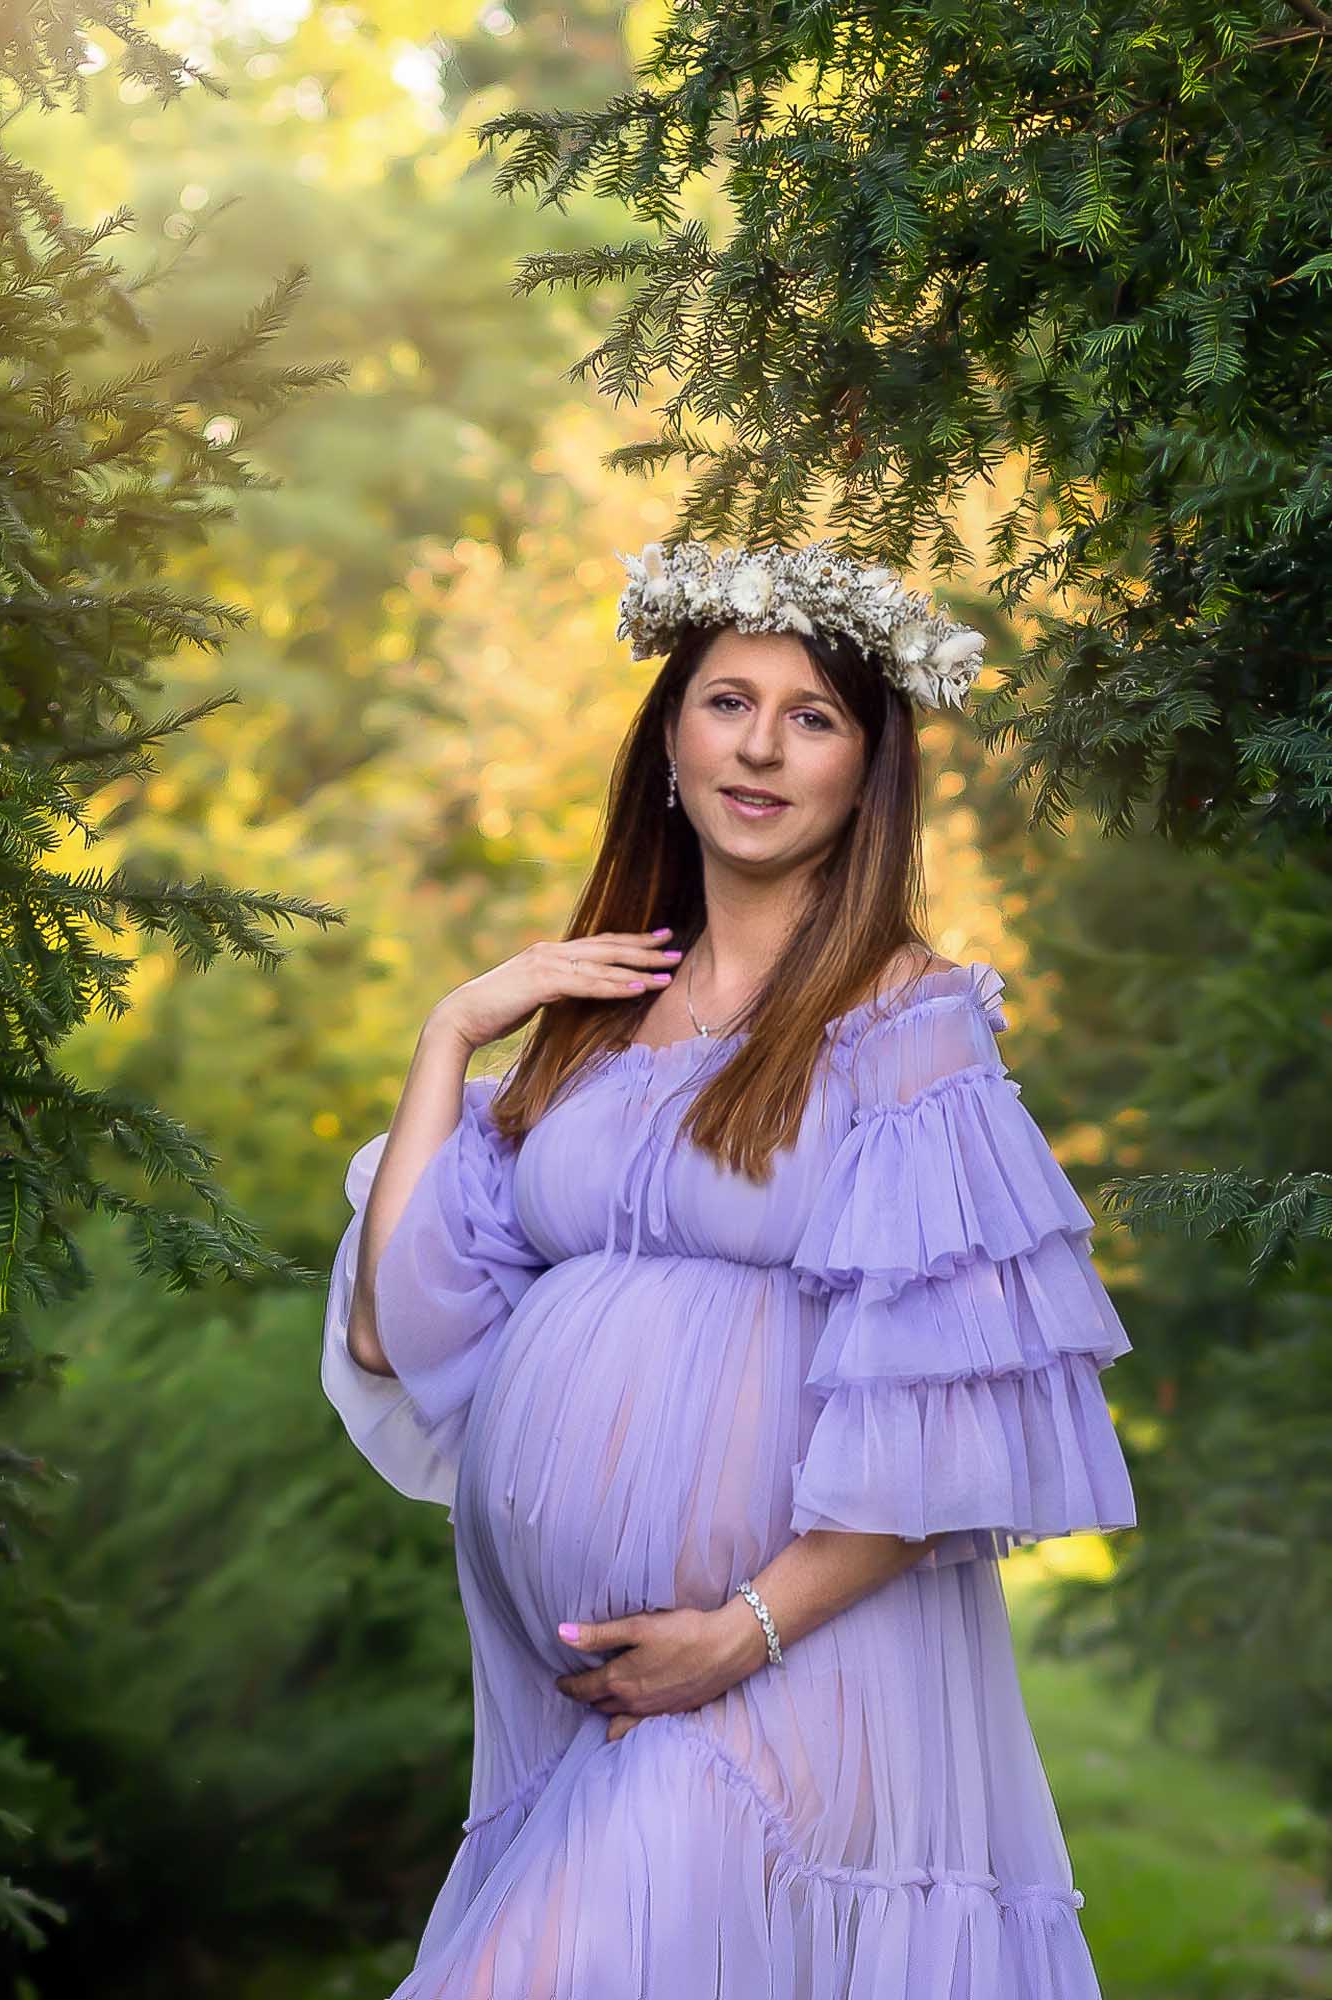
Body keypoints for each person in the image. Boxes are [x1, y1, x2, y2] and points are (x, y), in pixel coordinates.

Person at [320, 539, 1137, 1998]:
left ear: (866, 773)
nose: (759, 748)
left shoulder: (907, 1024)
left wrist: (739, 1634)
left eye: (810, 717)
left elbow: (952, 1414)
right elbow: (394, 1332)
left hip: (789, 1676)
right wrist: (452, 1030)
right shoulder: (592, 1020)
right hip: (583, 1701)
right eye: (726, 703)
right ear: (669, 739)